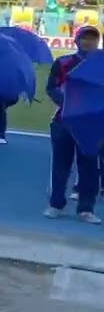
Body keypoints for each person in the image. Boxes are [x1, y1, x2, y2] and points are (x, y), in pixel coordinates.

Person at [44, 26, 101, 223]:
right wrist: (69, 103)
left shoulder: (101, 64)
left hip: (92, 125)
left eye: (92, 39)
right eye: (85, 38)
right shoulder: (63, 62)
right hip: (64, 121)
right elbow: (51, 87)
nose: (88, 42)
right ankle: (55, 204)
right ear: (77, 40)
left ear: (97, 42)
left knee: (89, 167)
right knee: (61, 165)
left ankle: (86, 209)